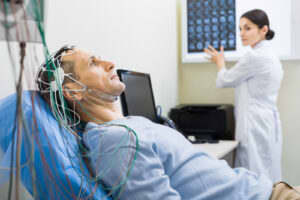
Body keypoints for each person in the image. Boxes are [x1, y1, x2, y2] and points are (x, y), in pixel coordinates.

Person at [36, 45, 300, 200]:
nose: (109, 63)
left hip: (267, 190)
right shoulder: (114, 140)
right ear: (74, 91)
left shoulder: (132, 124)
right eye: (93, 63)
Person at [204, 9, 283, 183]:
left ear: (263, 30)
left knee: (253, 176)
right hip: (267, 121)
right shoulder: (271, 55)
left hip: (253, 124)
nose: (241, 34)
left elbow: (224, 80)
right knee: (268, 174)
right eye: (240, 29)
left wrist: (220, 62)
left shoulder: (254, 57)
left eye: (247, 28)